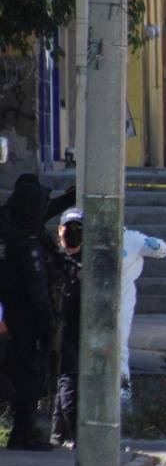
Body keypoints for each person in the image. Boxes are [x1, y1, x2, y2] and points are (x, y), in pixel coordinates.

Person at [0, 180, 57, 450]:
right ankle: (23, 432)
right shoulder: (27, 243)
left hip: (8, 318)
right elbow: (36, 290)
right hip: (25, 320)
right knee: (30, 377)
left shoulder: (9, 234)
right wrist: (47, 326)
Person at [120, 229, 166, 406]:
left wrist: (156, 245)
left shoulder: (131, 238)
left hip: (122, 296)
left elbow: (161, 251)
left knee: (119, 348)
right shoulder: (90, 234)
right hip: (93, 295)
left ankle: (122, 397)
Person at [50, 208, 82, 448]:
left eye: (78, 229)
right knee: (68, 380)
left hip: (77, 327)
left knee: (66, 380)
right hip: (59, 328)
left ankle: (58, 433)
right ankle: (78, 437)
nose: (72, 234)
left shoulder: (88, 261)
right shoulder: (53, 260)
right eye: (68, 229)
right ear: (59, 230)